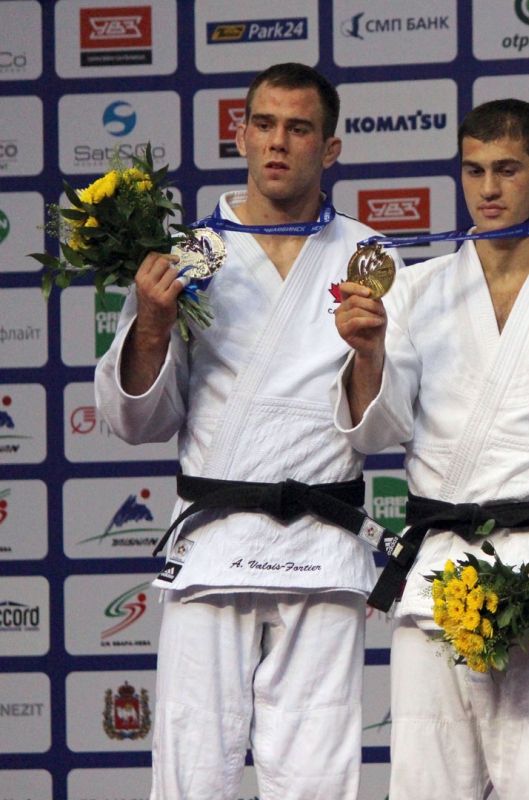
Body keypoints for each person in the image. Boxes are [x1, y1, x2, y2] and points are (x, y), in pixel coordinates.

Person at [95, 64, 395, 799]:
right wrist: (153, 323)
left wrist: (369, 353)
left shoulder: (371, 257)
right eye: (264, 124)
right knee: (193, 772)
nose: (278, 142)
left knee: (317, 778)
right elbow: (136, 419)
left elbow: (381, 427)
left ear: (330, 148)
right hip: (214, 544)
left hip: (321, 549)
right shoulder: (186, 255)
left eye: (299, 128)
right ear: (240, 135)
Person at [331, 98, 529, 799]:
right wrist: (369, 354)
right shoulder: (417, 290)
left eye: (507, 170)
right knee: (424, 787)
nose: (488, 189)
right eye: (474, 171)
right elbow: (376, 431)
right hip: (434, 579)